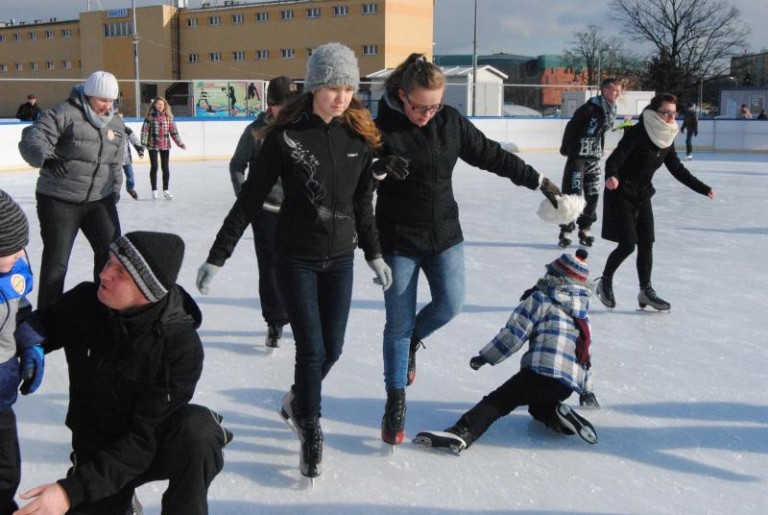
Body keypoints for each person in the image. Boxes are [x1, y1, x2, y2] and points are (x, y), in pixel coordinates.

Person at [195, 42, 392, 480]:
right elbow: (248, 200)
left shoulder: (359, 136)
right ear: (315, 86)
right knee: (312, 348)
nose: (341, 97)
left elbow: (363, 204)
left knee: (334, 348)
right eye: (333, 88)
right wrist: (217, 256)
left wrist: (373, 253)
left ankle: (297, 402)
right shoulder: (286, 137)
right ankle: (311, 424)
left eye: (348, 88)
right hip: (295, 259)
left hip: (340, 259)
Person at [373, 53, 562, 447]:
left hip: (444, 236)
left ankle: (411, 343)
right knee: (397, 324)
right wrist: (376, 168)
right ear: (402, 95)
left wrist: (538, 180)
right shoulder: (379, 131)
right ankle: (396, 400)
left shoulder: (450, 123)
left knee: (451, 304)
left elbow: (491, 154)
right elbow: (357, 181)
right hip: (397, 241)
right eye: (420, 106)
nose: (427, 113)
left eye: (435, 106)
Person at [14, 231, 232, 515]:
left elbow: (143, 441)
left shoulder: (179, 346)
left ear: (147, 290)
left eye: (120, 272)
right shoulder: (85, 302)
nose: (104, 274)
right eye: (109, 263)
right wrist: (30, 338)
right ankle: (120, 501)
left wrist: (71, 492)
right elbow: (39, 325)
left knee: (198, 431)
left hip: (150, 448)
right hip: (95, 449)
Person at [413, 249, 598, 454]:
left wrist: (486, 357)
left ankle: (462, 432)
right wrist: (586, 391)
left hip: (541, 372)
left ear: (553, 276)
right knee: (537, 406)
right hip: (566, 385)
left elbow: (514, 334)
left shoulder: (540, 298)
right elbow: (585, 354)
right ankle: (557, 415)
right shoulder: (582, 316)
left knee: (500, 401)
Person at [595, 93, 715, 312]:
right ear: (654, 112)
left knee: (647, 243)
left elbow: (677, 169)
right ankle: (604, 281)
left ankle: (645, 291)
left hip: (642, 195)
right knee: (628, 244)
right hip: (620, 191)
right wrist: (611, 175)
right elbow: (615, 159)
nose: (670, 117)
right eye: (665, 112)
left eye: (673, 112)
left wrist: (702, 188)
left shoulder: (667, 138)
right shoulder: (638, 131)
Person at [18, 70, 124, 309]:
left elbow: (116, 162)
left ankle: (102, 311)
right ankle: (48, 319)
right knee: (57, 262)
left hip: (99, 199)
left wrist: (115, 189)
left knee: (111, 257)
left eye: (111, 101)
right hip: (59, 199)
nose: (106, 106)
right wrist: (45, 157)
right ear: (88, 95)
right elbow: (33, 138)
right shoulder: (64, 113)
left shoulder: (115, 122)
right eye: (102, 100)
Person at [228, 76, 297, 348]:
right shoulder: (255, 131)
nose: (288, 111)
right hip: (266, 210)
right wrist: (246, 198)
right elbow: (237, 165)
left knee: (299, 266)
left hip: (299, 211)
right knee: (270, 268)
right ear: (271, 105)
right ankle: (275, 322)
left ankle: (301, 315)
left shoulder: (303, 127)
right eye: (283, 106)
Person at [0, 190, 44, 514]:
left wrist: (30, 343)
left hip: (2, 396)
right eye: (9, 251)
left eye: (20, 248)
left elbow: (22, 310)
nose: (19, 256)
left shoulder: (11, 271)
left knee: (7, 471)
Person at [557, 78, 622, 248]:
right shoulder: (588, 109)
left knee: (593, 194)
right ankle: (566, 230)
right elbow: (571, 128)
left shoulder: (610, 110)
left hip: (594, 158)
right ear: (606, 91)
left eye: (619, 90)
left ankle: (585, 228)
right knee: (573, 195)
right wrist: (566, 148)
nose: (618, 94)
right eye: (616, 90)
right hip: (578, 158)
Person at [140, 96, 186, 200]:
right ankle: (154, 190)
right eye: (158, 104)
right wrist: (142, 146)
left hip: (165, 145)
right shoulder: (150, 117)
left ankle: (166, 190)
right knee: (154, 167)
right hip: (153, 145)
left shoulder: (168, 117)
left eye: (162, 104)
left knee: (165, 168)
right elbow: (144, 132)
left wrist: (180, 143)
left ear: (165, 105)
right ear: (155, 105)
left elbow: (174, 132)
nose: (160, 106)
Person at [118, 110, 145, 200]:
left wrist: (140, 151)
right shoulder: (108, 130)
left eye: (121, 118)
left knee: (130, 177)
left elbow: (135, 141)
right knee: (116, 179)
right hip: (114, 160)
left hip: (126, 159)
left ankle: (130, 188)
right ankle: (115, 194)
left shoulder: (127, 130)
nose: (119, 120)